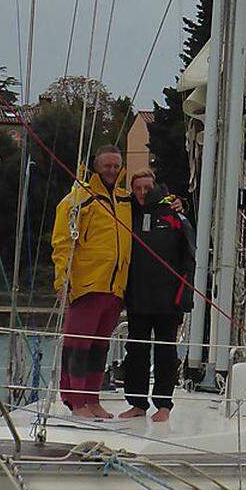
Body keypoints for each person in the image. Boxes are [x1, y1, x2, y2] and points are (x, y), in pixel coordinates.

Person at [51, 145, 133, 419]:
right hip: (86, 284)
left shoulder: (124, 200)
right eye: (107, 165)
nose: (111, 170)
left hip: (115, 286)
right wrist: (62, 281)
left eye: (116, 165)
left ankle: (93, 399)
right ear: (96, 167)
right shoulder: (78, 200)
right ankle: (76, 401)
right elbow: (62, 244)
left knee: (100, 346)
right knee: (78, 345)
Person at [118, 169, 195, 423]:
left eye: (146, 188)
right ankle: (137, 403)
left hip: (168, 300)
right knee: (136, 351)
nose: (142, 193)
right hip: (138, 297)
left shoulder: (175, 215)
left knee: (165, 353)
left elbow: (189, 259)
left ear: (156, 187)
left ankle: (163, 404)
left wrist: (184, 297)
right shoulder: (127, 212)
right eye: (137, 188)